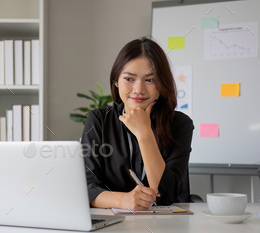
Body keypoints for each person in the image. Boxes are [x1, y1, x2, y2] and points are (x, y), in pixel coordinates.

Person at [81, 37, 194, 211]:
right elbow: (87, 188)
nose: (139, 89)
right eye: (129, 79)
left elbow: (167, 194)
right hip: (113, 223)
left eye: (150, 80)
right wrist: (123, 200)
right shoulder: (99, 120)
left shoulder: (180, 124)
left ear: (161, 84)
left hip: (167, 224)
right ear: (116, 81)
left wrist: (144, 133)